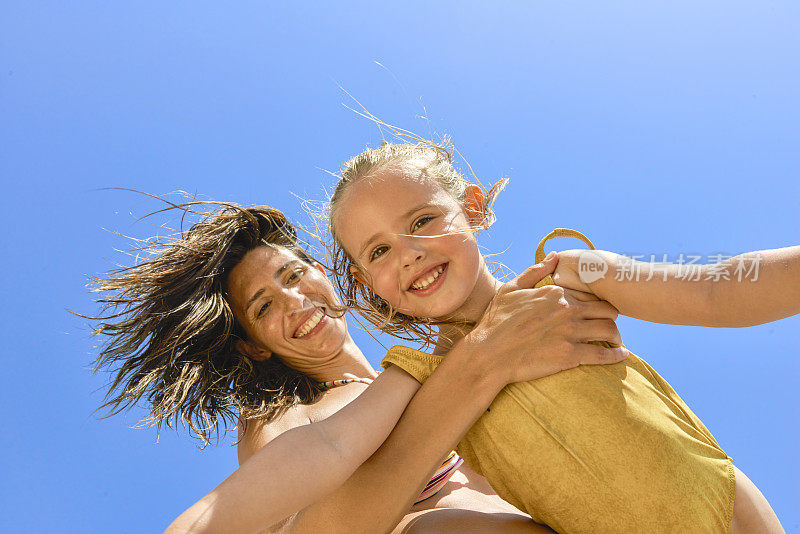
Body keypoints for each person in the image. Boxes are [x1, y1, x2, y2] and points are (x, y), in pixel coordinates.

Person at [328, 139, 795, 533]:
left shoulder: (567, 275)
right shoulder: (424, 388)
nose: (408, 253)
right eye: (380, 250)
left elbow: (714, 289)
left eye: (421, 221)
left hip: (728, 512)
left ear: (471, 207)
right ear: (367, 280)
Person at [89, 203, 626, 533]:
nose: (294, 302)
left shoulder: (444, 351)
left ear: (322, 271)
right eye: (264, 307)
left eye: (293, 275)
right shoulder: (285, 415)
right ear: (253, 346)